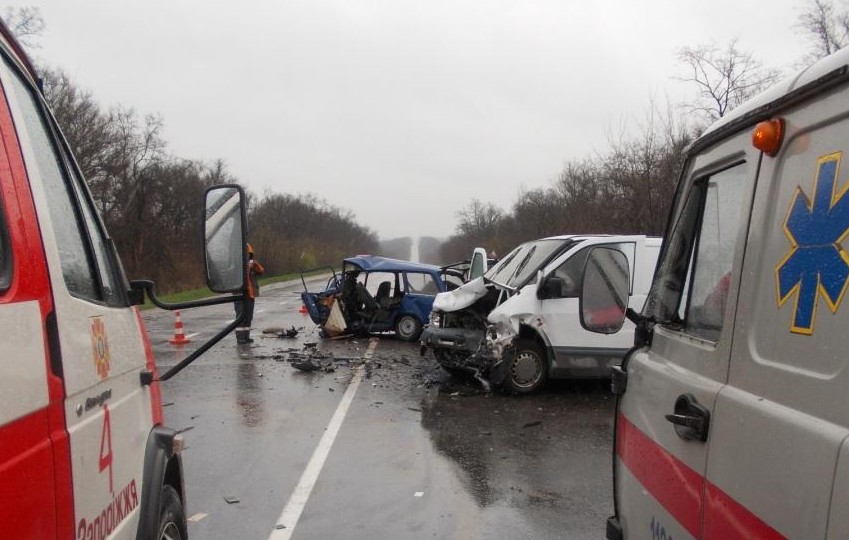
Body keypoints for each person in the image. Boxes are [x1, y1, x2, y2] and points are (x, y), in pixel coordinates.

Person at [235, 243, 265, 344]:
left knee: (248, 316)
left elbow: (261, 271)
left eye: (249, 254)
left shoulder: (253, 265)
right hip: (239, 294)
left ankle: (246, 336)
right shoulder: (236, 264)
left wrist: (255, 265)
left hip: (251, 294)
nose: (247, 256)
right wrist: (246, 267)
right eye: (246, 254)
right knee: (241, 316)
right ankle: (240, 338)